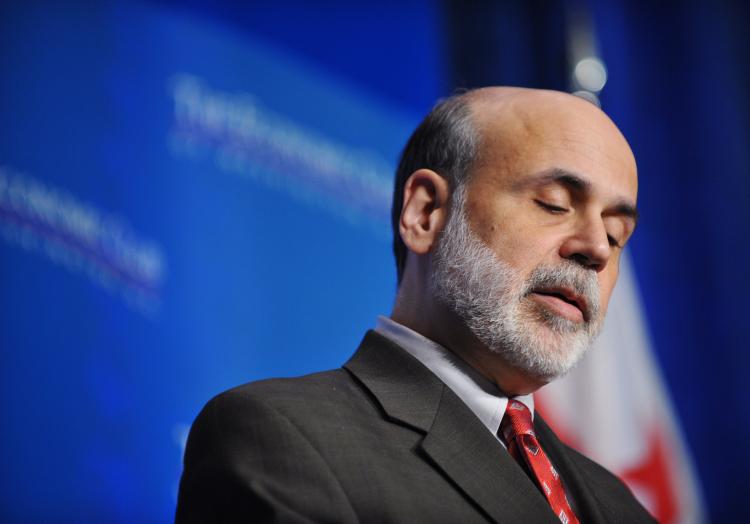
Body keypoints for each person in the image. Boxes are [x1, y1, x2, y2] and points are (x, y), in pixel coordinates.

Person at [175, 87, 654, 523]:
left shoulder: (618, 504)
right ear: (425, 213)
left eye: (616, 236)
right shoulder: (280, 437)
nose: (595, 247)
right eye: (552, 203)